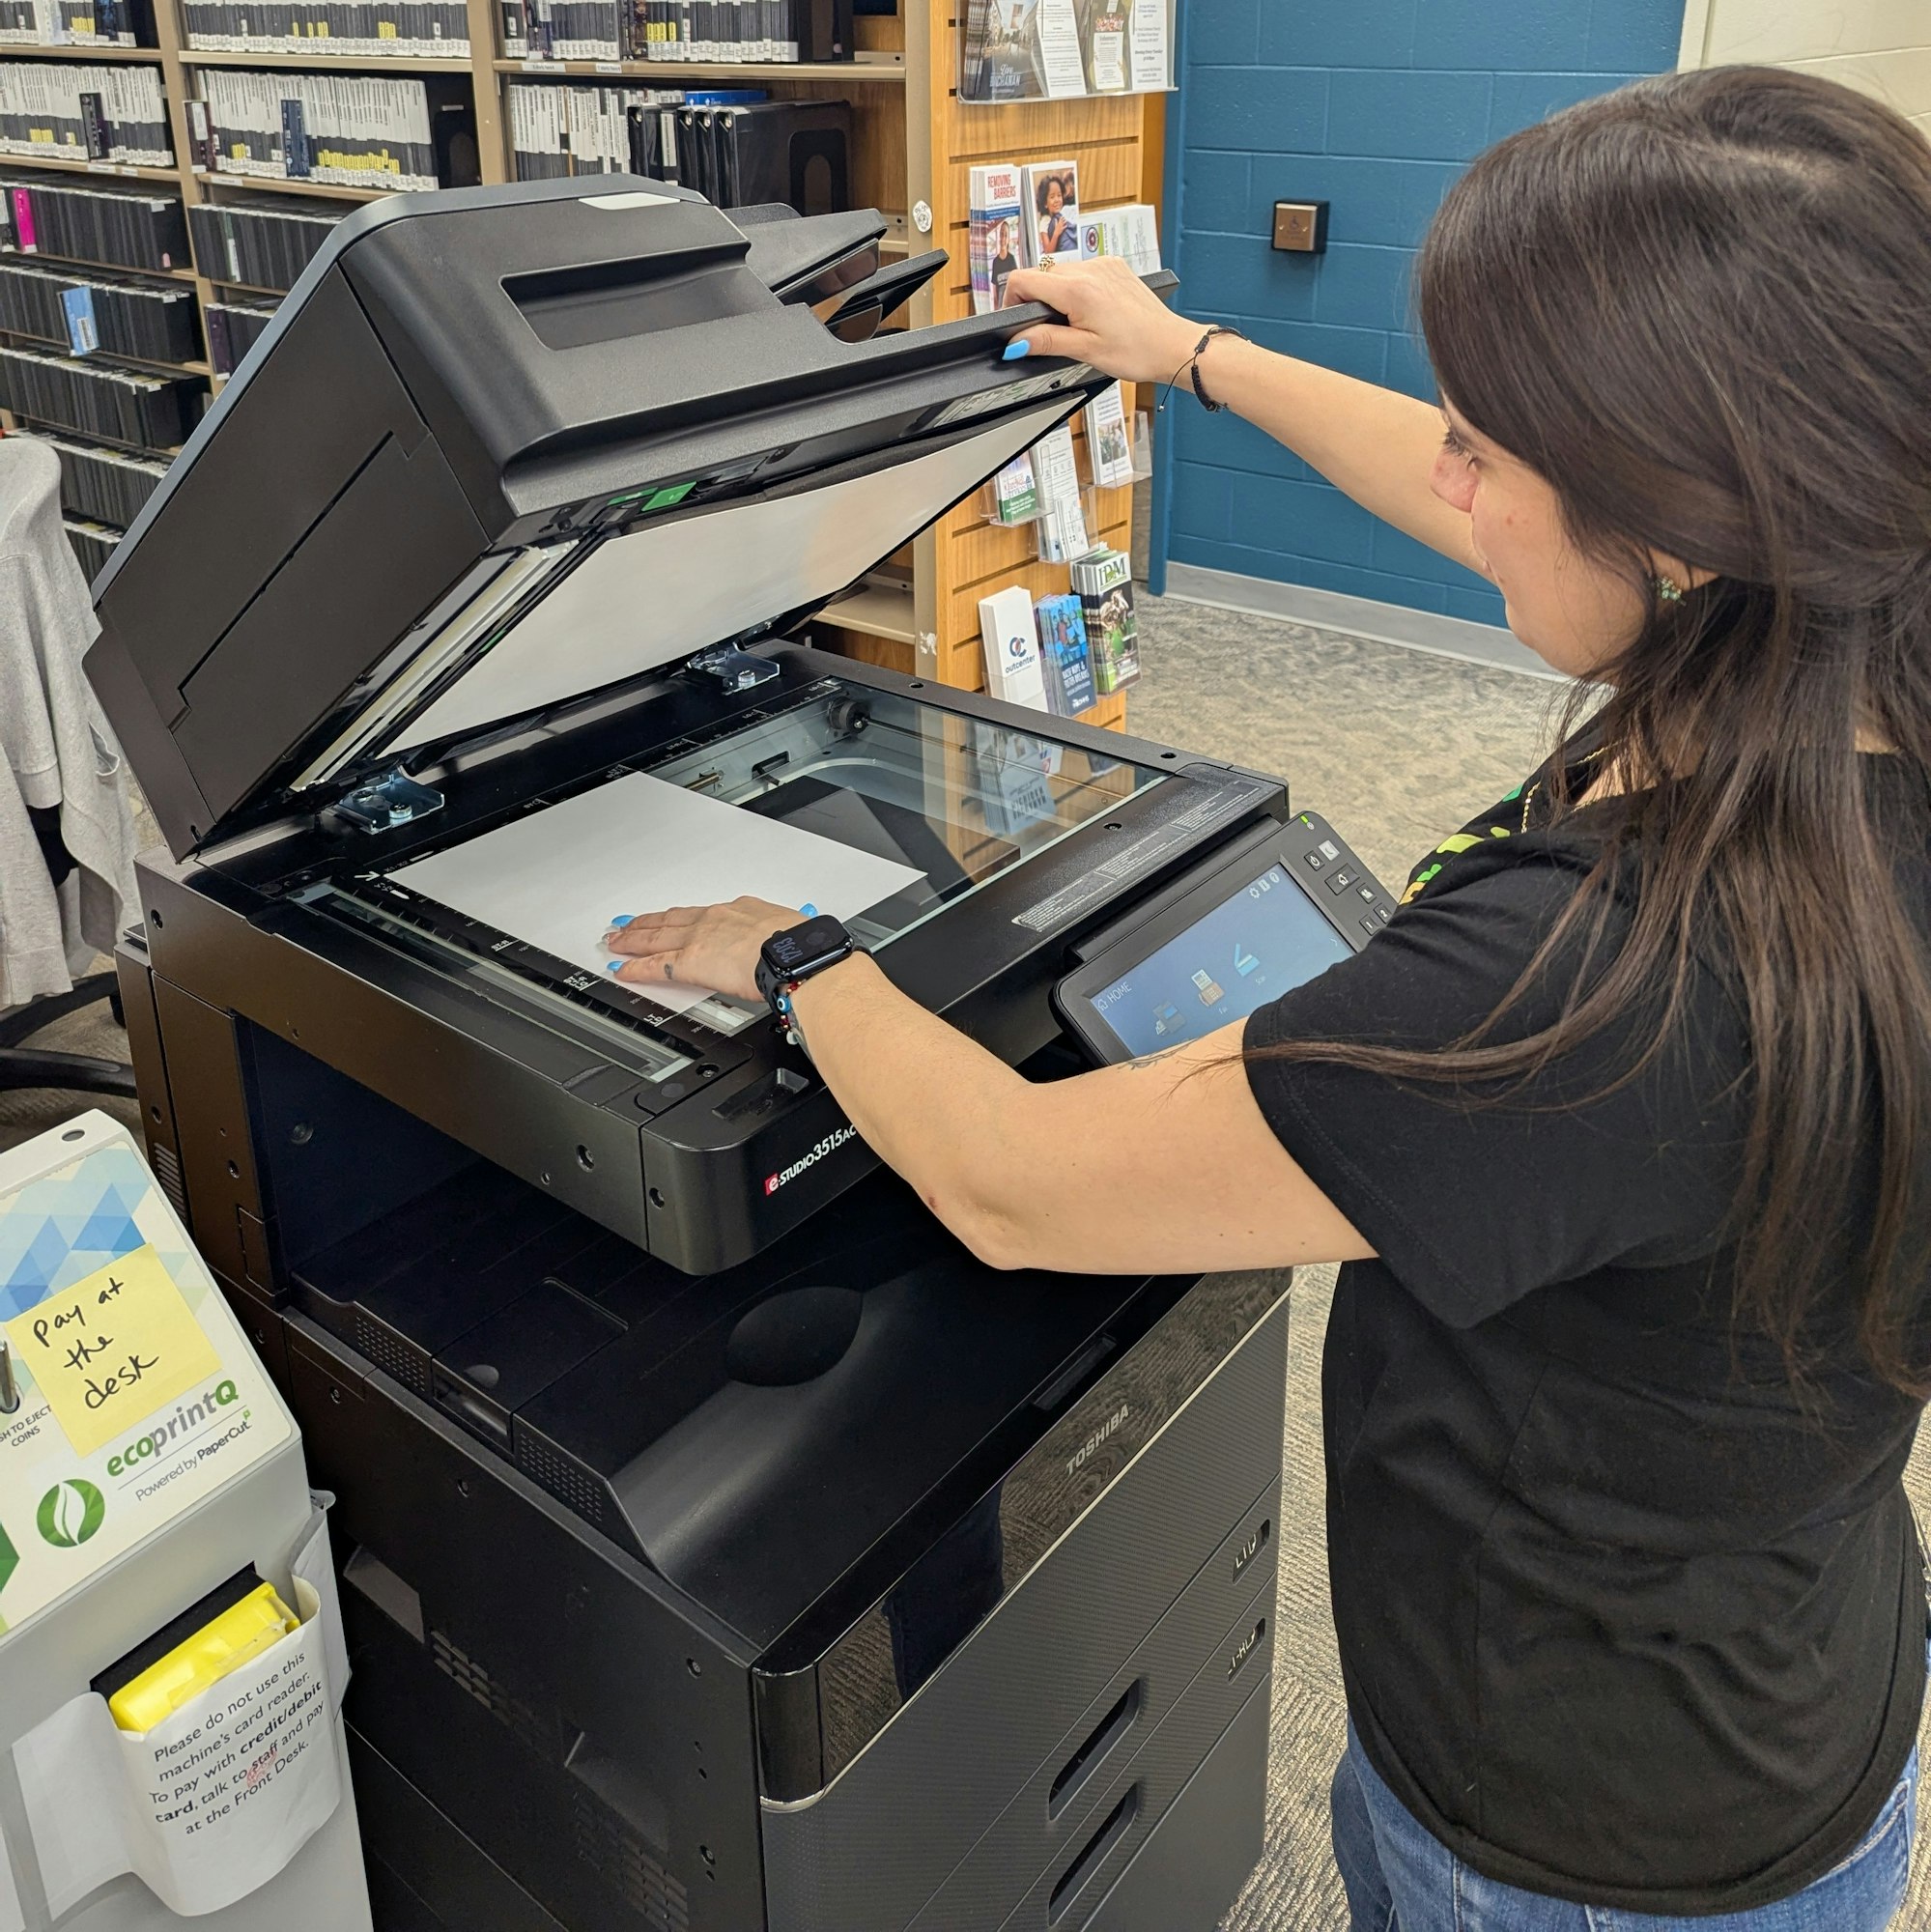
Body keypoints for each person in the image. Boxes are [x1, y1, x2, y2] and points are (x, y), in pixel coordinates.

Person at [602, 67, 1931, 1932]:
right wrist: (1182, 350)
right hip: (1786, 1675)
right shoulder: (1850, 616)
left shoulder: (1582, 988)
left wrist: (801, 960)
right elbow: (1492, 510)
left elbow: (1012, 1181)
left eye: (1486, 446)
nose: (1447, 477)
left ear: (1679, 522)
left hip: (1568, 1829)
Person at [1036, 173, 1075, 256]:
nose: (1057, 200)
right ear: (1045, 203)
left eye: (1059, 195)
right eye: (1052, 197)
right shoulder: (1045, 221)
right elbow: (1048, 252)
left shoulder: (1064, 212)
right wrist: (1056, 233)